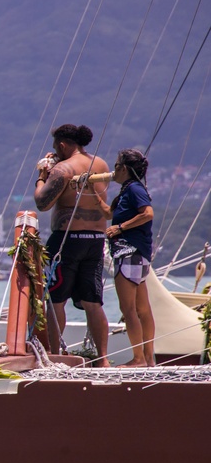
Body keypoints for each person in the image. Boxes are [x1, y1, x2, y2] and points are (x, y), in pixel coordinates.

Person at [34, 124, 111, 366]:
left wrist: (42, 175)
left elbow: (42, 203)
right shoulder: (100, 163)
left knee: (56, 299)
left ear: (63, 145)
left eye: (57, 146)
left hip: (67, 240)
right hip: (96, 239)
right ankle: (103, 359)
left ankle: (55, 355)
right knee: (92, 301)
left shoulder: (63, 169)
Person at [103, 149, 155, 366]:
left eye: (116, 166)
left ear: (124, 168)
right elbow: (109, 214)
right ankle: (149, 358)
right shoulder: (126, 191)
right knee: (142, 308)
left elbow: (147, 213)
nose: (113, 170)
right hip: (137, 255)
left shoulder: (134, 188)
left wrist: (120, 228)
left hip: (128, 253)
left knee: (129, 309)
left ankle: (139, 358)